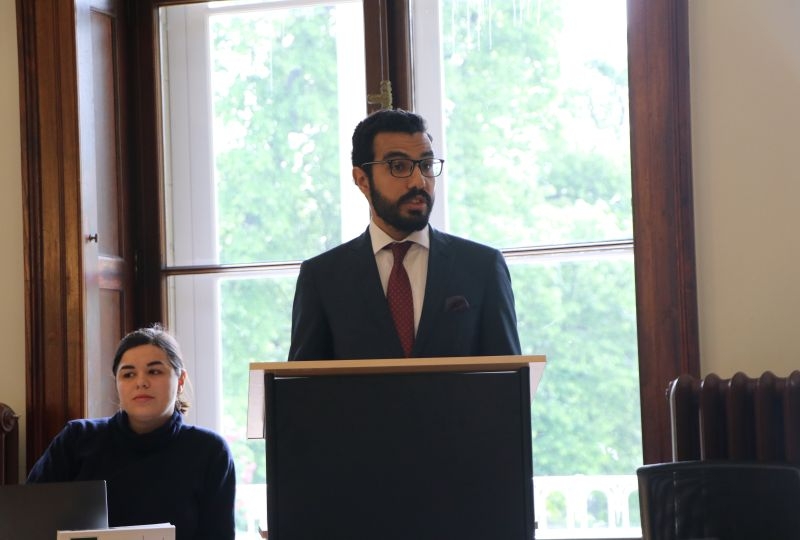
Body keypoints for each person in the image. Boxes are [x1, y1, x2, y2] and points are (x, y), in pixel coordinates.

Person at [289, 108, 521, 360]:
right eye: (399, 166)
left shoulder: (482, 267)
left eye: (426, 165)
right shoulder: (322, 278)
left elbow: (508, 384)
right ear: (362, 180)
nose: (419, 182)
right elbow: (302, 390)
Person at [27, 325, 236, 540]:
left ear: (180, 381)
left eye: (154, 371)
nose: (141, 382)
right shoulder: (77, 439)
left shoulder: (210, 451)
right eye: (128, 374)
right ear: (117, 383)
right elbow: (28, 520)